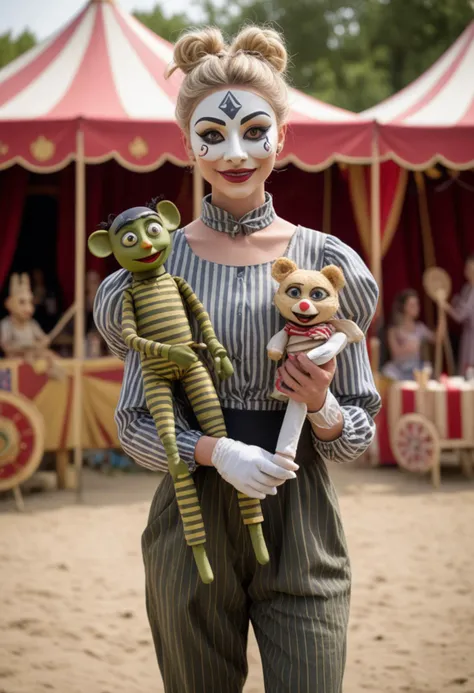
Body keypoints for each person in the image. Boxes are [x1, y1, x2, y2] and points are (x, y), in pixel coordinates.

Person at [94, 26, 380, 693]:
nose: (235, 151)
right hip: (191, 523)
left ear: (283, 140)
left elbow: (357, 428)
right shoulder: (156, 271)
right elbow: (136, 422)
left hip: (302, 515)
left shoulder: (328, 262)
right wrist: (216, 451)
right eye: (213, 135)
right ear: (186, 143)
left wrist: (325, 406)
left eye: (255, 131)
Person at [382, 289, 437, 381]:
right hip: (399, 369)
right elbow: (395, 352)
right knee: (388, 374)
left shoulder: (420, 328)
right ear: (404, 307)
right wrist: (409, 347)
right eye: (412, 305)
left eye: (417, 304)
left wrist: (442, 320)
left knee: (427, 372)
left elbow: (436, 339)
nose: (416, 307)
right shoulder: (393, 330)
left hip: (416, 369)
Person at [442, 254, 474, 376]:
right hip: (468, 335)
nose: (468, 272)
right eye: (467, 269)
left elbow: (460, 316)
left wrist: (445, 306)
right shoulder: (467, 288)